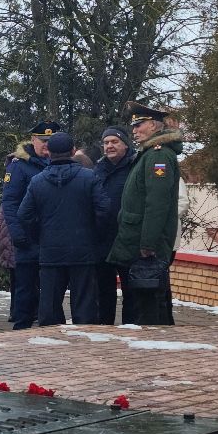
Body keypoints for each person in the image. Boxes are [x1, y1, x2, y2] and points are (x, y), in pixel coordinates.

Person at [13, 131, 109, 326]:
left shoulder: (38, 181)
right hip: (83, 250)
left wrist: (40, 236)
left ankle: (52, 347)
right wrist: (93, 235)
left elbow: (24, 215)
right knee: (85, 306)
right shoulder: (89, 177)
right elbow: (104, 210)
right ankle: (85, 346)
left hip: (50, 251)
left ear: (48, 152)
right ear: (73, 151)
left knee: (49, 307)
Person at [108, 102, 184, 326]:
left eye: (139, 125)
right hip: (136, 238)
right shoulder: (149, 154)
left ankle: (151, 344)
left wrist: (148, 244)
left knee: (148, 303)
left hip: (142, 243)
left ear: (153, 125)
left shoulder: (158, 157)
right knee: (142, 299)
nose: (134, 130)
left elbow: (156, 204)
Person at [0, 122, 56, 330]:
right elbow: (10, 202)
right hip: (27, 236)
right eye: (43, 141)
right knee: (25, 287)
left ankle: (48, 327)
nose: (47, 145)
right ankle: (21, 329)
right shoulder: (19, 165)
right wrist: (17, 233)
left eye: (51, 141)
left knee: (50, 287)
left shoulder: (58, 163)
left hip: (51, 236)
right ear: (33, 140)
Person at [92, 126, 136, 324]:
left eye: (114, 142)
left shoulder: (135, 166)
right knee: (103, 291)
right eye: (106, 142)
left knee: (131, 291)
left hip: (127, 238)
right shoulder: (98, 169)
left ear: (125, 144)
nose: (109, 146)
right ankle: (104, 329)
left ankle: (130, 328)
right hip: (102, 240)